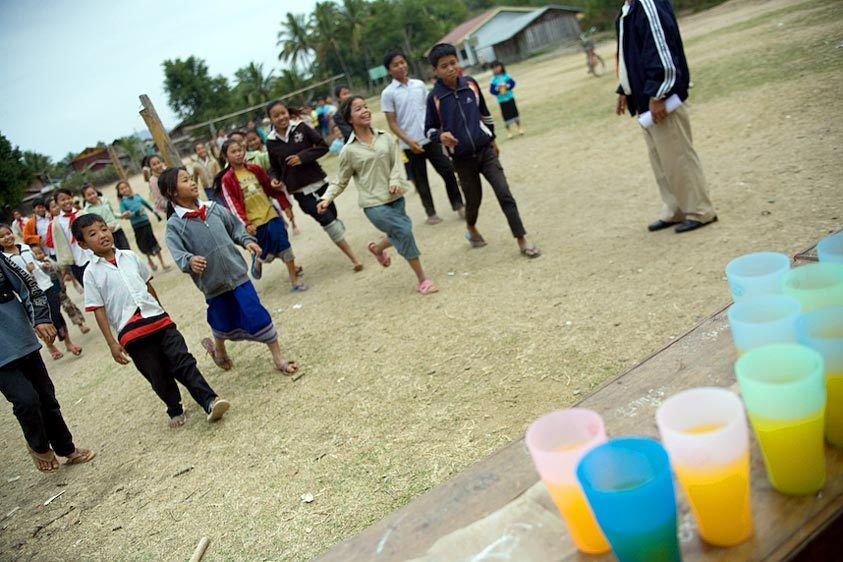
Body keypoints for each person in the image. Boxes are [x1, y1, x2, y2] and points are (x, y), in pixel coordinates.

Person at [74, 214, 230, 429]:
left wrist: (162, 311)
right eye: (93, 234)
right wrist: (112, 343)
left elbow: (147, 286)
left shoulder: (130, 256)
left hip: (159, 321)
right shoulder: (91, 273)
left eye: (104, 229)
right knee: (156, 373)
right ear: (83, 244)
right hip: (131, 333)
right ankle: (174, 407)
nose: (102, 235)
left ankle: (210, 401)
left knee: (183, 361)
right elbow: (98, 309)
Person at [161, 167, 299, 375]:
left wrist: (246, 241)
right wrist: (189, 261)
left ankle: (278, 358)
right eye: (185, 180)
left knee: (257, 313)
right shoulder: (175, 226)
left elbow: (235, 228)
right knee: (221, 319)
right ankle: (220, 350)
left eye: (191, 179)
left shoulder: (213, 209)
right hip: (213, 284)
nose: (192, 183)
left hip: (238, 277)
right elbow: (178, 252)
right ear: (172, 191)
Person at [425, 43, 541, 259]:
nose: (450, 68)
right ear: (435, 70)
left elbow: (484, 114)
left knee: (504, 193)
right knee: (474, 200)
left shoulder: (470, 84)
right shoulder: (434, 97)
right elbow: (429, 128)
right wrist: (440, 136)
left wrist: (493, 139)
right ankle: (471, 227)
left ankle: (522, 239)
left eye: (453, 63)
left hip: (485, 151)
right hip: (461, 159)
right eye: (444, 66)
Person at [318, 96, 437, 295]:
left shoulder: (386, 137)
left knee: (399, 232)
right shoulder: (348, 150)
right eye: (358, 109)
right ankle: (422, 280)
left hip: (396, 197)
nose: (365, 111)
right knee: (405, 231)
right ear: (349, 119)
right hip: (374, 204)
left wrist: (395, 180)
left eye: (365, 107)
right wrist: (327, 197)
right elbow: (341, 179)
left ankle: (377, 249)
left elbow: (397, 162)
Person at [615, 0, 717, 233]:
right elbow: (630, 54)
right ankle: (676, 209)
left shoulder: (648, 4)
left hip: (662, 100)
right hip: (645, 102)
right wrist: (624, 88)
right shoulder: (628, 8)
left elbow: (660, 49)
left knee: (678, 156)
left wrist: (658, 92)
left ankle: (700, 210)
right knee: (662, 161)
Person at [0, 252, 95, 473]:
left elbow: (28, 285)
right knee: (26, 400)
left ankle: (67, 448)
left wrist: (41, 318)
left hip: (22, 341)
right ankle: (39, 446)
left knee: (46, 397)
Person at [265, 99, 364, 272]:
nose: (281, 117)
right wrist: (274, 178)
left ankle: (336, 227)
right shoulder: (271, 142)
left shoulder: (301, 128)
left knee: (332, 215)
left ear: (288, 112)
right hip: (300, 191)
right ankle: (354, 259)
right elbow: (274, 168)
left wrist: (302, 157)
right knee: (326, 220)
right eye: (276, 115)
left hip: (319, 182)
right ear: (270, 119)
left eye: (283, 113)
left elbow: (322, 147)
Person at [381, 50, 465, 225]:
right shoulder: (388, 93)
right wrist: (409, 141)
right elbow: (392, 122)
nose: (400, 66)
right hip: (410, 145)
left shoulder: (419, 85)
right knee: (421, 180)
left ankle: (458, 205)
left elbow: (431, 111)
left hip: (431, 138)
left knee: (448, 170)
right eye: (395, 65)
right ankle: (431, 213)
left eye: (402, 62)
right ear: (389, 70)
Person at [216, 143, 305, 290]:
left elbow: (270, 189)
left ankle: (294, 281)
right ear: (226, 157)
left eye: (240, 150)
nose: (238, 153)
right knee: (267, 252)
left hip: (270, 213)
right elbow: (232, 205)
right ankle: (259, 258)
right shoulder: (227, 179)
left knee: (284, 244)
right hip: (254, 222)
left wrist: (284, 205)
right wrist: (245, 223)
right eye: (234, 152)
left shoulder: (254, 169)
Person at [0, 225, 82, 360]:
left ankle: (68, 342)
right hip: (29, 296)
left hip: (46, 286)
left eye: (8, 233)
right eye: (2, 236)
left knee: (57, 315)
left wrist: (43, 265)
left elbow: (37, 262)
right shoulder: (4, 259)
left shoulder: (25, 247)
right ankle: (51, 346)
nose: (7, 237)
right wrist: (27, 271)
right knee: (39, 321)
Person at [116, 180, 171, 271]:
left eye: (125, 187)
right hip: (137, 226)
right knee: (143, 243)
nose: (124, 190)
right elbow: (125, 216)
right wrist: (135, 214)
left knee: (153, 241)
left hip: (146, 223)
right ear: (119, 192)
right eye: (121, 189)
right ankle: (150, 261)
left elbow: (147, 205)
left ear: (129, 187)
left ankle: (162, 263)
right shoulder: (123, 203)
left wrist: (156, 214)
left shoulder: (137, 197)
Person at [45, 189, 92, 285]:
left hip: (92, 254)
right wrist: (64, 264)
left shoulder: (82, 214)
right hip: (76, 260)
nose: (66, 201)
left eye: (68, 198)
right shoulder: (57, 223)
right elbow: (59, 245)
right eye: (62, 200)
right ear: (57, 203)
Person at [81, 184, 131, 250]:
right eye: (89, 195)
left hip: (117, 229)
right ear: (84, 198)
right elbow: (93, 226)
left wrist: (122, 215)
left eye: (93, 193)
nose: (92, 196)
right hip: (105, 235)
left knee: (127, 251)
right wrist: (105, 228)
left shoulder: (105, 200)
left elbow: (112, 213)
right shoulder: (86, 211)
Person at [489, 61, 525, 138]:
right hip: (501, 100)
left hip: (510, 97)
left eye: (497, 67)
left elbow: (513, 83)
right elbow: (492, 91)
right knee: (506, 116)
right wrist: (498, 89)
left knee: (514, 112)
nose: (496, 69)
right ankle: (509, 131)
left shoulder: (506, 76)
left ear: (501, 67)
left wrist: (507, 86)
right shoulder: (493, 80)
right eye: (494, 68)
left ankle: (519, 127)